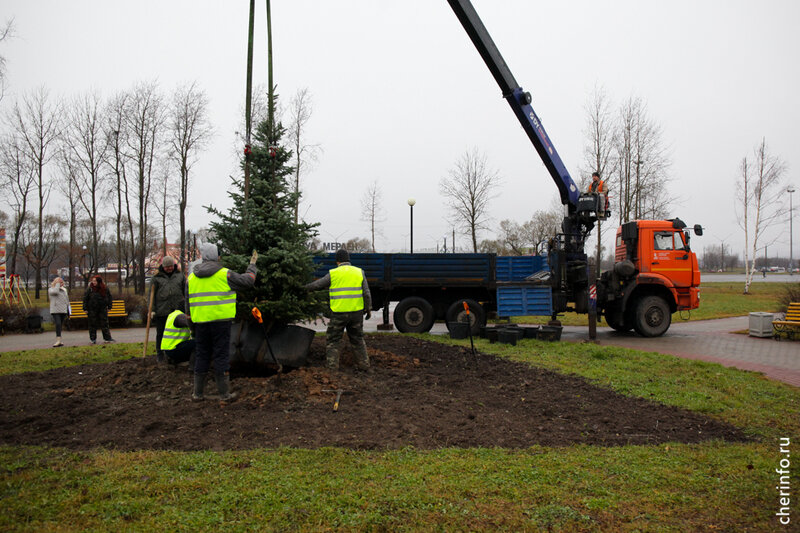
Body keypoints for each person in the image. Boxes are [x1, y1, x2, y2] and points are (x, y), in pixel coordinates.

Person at [187, 243, 258, 402]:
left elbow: (187, 305)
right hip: (221, 323)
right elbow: (248, 281)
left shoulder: (191, 277)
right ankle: (224, 394)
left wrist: (192, 327)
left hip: (200, 323)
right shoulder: (224, 274)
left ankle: (197, 394)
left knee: (202, 355)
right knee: (221, 355)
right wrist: (252, 266)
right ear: (216, 256)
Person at [305, 248, 372, 372]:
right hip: (356, 313)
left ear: (337, 261)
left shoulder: (333, 273)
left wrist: (303, 288)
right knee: (357, 339)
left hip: (338, 313)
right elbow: (367, 293)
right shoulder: (359, 272)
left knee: (333, 340)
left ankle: (332, 368)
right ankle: (364, 366)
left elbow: (317, 285)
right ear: (348, 260)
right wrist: (368, 309)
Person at [149, 255, 186, 362]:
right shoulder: (156, 278)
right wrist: (152, 310)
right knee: (160, 333)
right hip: (162, 311)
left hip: (177, 311)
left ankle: (175, 354)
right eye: (167, 267)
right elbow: (151, 296)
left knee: (178, 333)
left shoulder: (180, 276)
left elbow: (185, 291)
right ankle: (160, 354)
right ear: (163, 267)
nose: (169, 268)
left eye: (171, 266)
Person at [83, 275, 115, 344]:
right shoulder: (90, 289)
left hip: (102, 308)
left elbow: (109, 297)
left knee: (104, 323)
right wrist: (85, 308)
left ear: (98, 281)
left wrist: (109, 306)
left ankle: (107, 338)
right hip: (92, 309)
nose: (93, 282)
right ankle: (93, 339)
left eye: (95, 281)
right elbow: (85, 298)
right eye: (93, 281)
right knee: (92, 324)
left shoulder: (105, 288)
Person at [48, 277, 69, 347]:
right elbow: (56, 292)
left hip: (63, 310)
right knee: (58, 324)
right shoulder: (51, 289)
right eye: (59, 282)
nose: (61, 284)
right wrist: (57, 285)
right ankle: (58, 340)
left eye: (61, 282)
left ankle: (59, 340)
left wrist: (68, 308)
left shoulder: (64, 290)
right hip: (55, 309)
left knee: (60, 325)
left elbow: (66, 300)